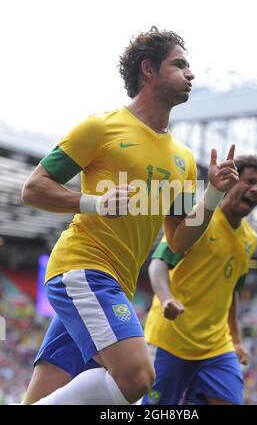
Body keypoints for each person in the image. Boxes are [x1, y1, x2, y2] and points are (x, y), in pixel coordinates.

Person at [21, 27, 238, 405]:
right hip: (83, 269)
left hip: (115, 284)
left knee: (41, 396)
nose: (191, 74)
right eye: (179, 64)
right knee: (138, 377)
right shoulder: (101, 127)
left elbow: (178, 239)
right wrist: (93, 202)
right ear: (148, 70)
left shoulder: (183, 159)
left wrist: (214, 193)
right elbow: (34, 187)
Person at [141, 155, 257, 405]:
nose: (255, 189)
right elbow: (158, 263)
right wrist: (167, 298)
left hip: (216, 346)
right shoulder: (200, 219)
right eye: (249, 182)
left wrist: (235, 339)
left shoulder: (250, 239)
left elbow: (232, 289)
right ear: (232, 182)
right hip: (170, 339)